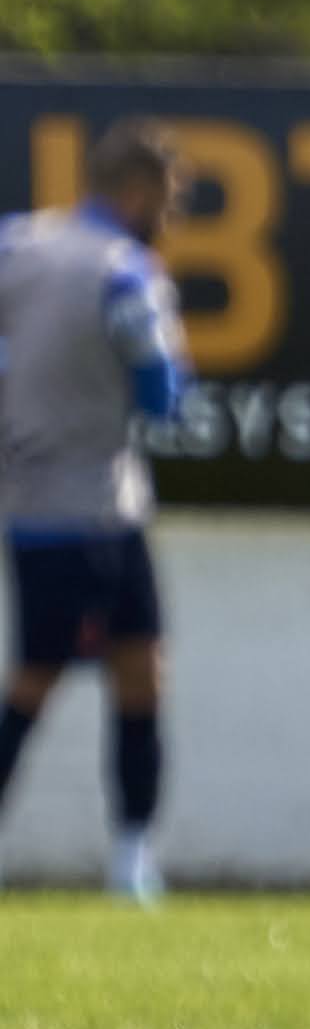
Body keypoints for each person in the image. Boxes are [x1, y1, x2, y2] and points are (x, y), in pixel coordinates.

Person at [0, 122, 195, 906]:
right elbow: (163, 395)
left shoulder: (17, 243)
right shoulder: (126, 273)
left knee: (135, 667)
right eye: (170, 202)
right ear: (141, 192)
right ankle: (132, 854)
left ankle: (132, 856)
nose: (170, 218)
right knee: (52, 679)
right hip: (90, 501)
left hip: (47, 502)